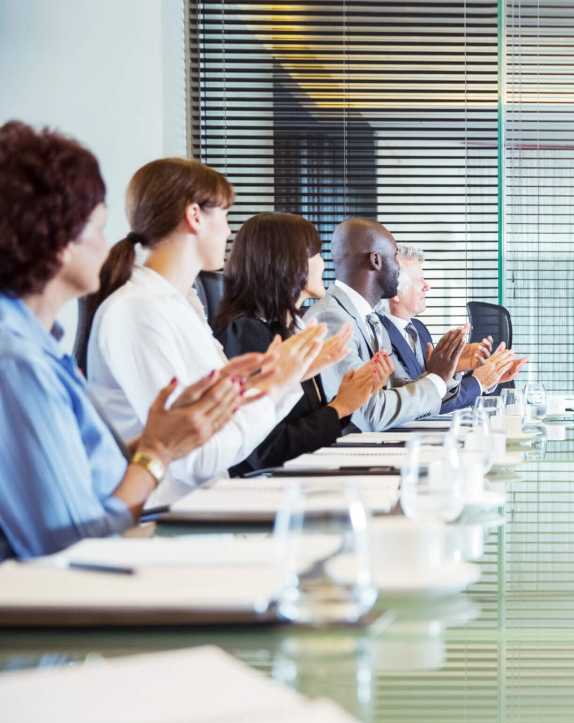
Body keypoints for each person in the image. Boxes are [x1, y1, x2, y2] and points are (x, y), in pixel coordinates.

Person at [0, 121, 244, 559]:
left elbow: (79, 470)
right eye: (95, 226)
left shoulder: (36, 344)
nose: (104, 242)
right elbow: (74, 544)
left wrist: (155, 439)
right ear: (56, 240)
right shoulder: (16, 359)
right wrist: (156, 451)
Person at [86, 158, 331, 505]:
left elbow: (224, 432)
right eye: (226, 216)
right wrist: (274, 386)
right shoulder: (139, 310)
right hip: (162, 520)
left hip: (200, 506)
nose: (230, 231)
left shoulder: (182, 306)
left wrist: (284, 380)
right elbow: (193, 458)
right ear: (195, 216)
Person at [213, 212, 393, 475]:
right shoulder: (248, 333)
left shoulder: (285, 331)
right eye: (316, 255)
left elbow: (302, 428)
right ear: (290, 262)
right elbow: (266, 450)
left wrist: (349, 396)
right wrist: (340, 407)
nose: (323, 263)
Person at [304, 218, 467, 431]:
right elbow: (367, 411)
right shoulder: (331, 320)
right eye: (394, 257)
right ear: (376, 260)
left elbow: (394, 394)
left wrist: (441, 374)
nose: (398, 268)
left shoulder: (370, 318)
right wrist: (436, 379)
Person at [375, 244, 526, 413]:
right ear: (394, 291)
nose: (427, 286)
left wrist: (473, 372)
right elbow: (420, 402)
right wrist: (478, 382)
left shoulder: (418, 329)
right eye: (419, 279)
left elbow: (437, 390)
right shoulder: (380, 336)